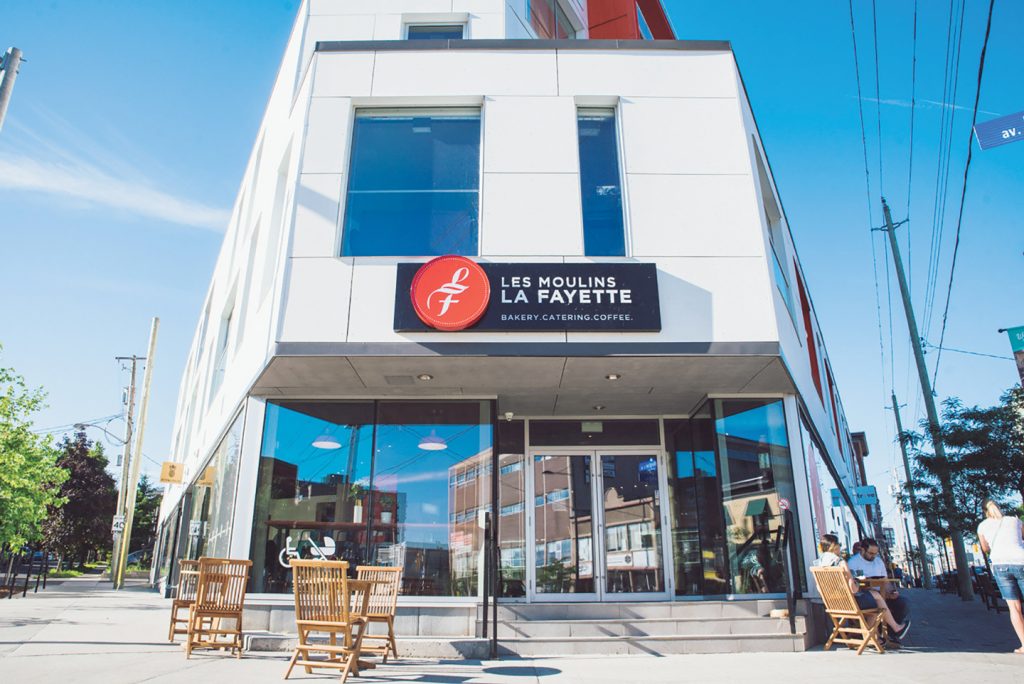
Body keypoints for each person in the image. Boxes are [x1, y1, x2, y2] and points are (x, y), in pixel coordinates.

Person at [815, 534, 909, 643]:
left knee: (878, 598)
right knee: (876, 601)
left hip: (834, 604)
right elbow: (853, 589)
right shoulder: (841, 562)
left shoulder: (819, 564)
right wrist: (857, 584)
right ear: (835, 546)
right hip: (851, 603)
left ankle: (877, 636)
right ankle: (880, 634)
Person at [977, 499, 1024, 654]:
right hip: (1021, 560)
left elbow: (985, 548)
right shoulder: (1014, 520)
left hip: (1000, 564)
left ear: (985, 511)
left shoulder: (982, 526)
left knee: (1014, 608)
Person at [847, 538, 911, 633]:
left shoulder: (878, 561)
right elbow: (853, 585)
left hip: (882, 594)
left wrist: (891, 591)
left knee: (903, 603)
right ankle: (884, 632)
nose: (873, 556)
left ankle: (891, 633)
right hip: (865, 595)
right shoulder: (853, 562)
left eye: (875, 553)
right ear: (863, 550)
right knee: (875, 603)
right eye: (871, 553)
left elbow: (885, 581)